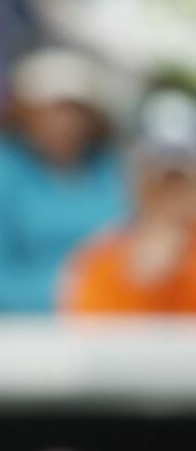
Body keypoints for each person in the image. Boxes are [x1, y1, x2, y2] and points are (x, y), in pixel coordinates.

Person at [0, 48, 129, 312]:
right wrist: (81, 292)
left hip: (115, 332)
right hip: (19, 339)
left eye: (76, 110)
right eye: (52, 110)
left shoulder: (117, 172)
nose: (65, 122)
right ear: (24, 113)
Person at [62, 87, 196, 314]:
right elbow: (92, 336)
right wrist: (139, 281)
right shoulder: (101, 258)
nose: (172, 195)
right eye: (161, 181)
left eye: (181, 179)